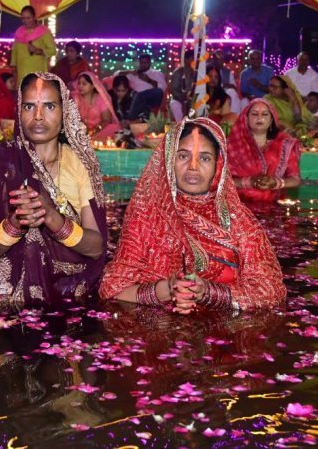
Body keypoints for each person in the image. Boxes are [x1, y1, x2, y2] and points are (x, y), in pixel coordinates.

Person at [99, 118, 286, 311]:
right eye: (183, 156)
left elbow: (271, 290)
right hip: (160, 334)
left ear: (218, 165)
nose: (193, 166)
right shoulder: (147, 216)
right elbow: (112, 290)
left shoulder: (238, 220)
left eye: (204, 158)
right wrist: (167, 289)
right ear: (168, 160)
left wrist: (208, 292)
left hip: (226, 333)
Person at [0, 73, 108, 306]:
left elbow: (95, 248)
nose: (38, 117)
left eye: (49, 106)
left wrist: (52, 217)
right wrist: (15, 223)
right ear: (19, 112)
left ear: (64, 113)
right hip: (6, 303)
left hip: (69, 297)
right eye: (29, 106)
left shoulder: (80, 165)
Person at [228, 99, 302, 203]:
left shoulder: (284, 144)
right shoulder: (233, 145)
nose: (259, 118)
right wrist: (249, 182)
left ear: (271, 120)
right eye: (254, 114)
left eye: (265, 114)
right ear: (246, 119)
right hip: (238, 205)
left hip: (274, 206)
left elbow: (295, 179)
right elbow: (220, 180)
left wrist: (275, 183)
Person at [11, 6, 56, 80]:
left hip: (37, 73)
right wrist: (13, 69)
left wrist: (38, 51)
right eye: (23, 18)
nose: (26, 21)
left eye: (28, 18)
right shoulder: (19, 32)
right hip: (21, 74)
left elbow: (53, 50)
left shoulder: (44, 32)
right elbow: (14, 53)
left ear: (35, 17)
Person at [117, 54, 167, 121]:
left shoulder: (156, 73)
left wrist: (149, 80)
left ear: (149, 63)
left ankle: (130, 118)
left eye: (145, 63)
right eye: (141, 63)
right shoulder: (134, 73)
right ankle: (141, 116)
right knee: (137, 96)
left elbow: (162, 88)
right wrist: (129, 71)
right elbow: (116, 75)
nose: (143, 65)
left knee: (157, 91)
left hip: (152, 98)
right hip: (136, 99)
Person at [74, 71, 120, 139]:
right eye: (79, 83)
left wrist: (95, 130)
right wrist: (84, 129)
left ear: (93, 86)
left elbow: (106, 120)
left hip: (100, 129)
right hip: (82, 130)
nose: (80, 86)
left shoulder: (101, 99)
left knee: (113, 129)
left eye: (84, 84)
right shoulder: (76, 98)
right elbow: (74, 119)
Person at [170, 49, 197, 121]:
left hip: (193, 100)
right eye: (193, 58)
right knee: (174, 105)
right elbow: (174, 91)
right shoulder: (178, 72)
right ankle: (180, 127)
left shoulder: (197, 73)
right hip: (179, 100)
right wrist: (184, 97)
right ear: (186, 59)